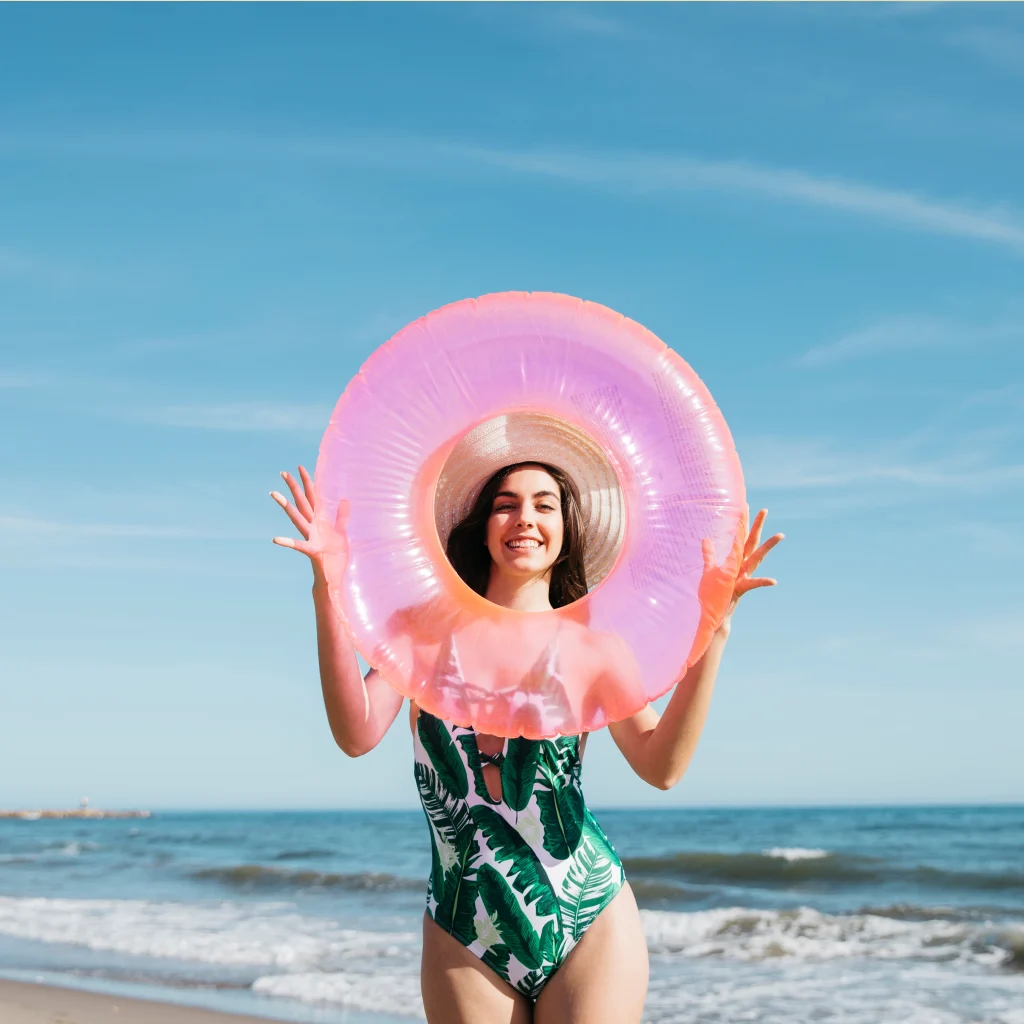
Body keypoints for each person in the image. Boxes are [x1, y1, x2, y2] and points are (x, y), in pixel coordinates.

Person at [271, 459, 782, 1024]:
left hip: (588, 914)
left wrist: (715, 631)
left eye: (544, 504)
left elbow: (662, 766)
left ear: (565, 531)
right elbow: (355, 732)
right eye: (506, 503)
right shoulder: (422, 633)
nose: (525, 518)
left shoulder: (593, 649)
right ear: (483, 525)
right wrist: (328, 588)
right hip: (462, 923)